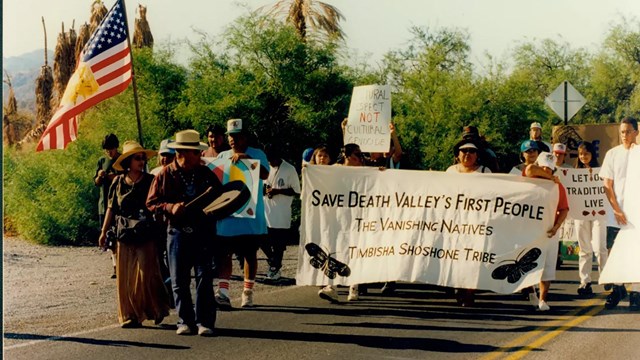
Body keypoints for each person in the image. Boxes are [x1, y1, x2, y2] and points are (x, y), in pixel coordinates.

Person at [146, 129, 221, 336]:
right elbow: (151, 203)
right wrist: (170, 207)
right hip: (177, 232)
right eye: (195, 153)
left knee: (204, 278)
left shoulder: (206, 174)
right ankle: (184, 321)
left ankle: (204, 321)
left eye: (198, 153)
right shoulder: (164, 174)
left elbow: (222, 197)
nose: (199, 156)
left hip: (203, 232)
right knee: (179, 281)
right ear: (182, 153)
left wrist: (214, 210)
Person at [98, 141, 171, 328]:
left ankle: (155, 308)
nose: (141, 161)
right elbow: (111, 208)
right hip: (124, 233)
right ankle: (130, 315)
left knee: (146, 274)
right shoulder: (118, 182)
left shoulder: (150, 181)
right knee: (125, 276)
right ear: (128, 162)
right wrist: (104, 231)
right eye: (137, 158)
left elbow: (157, 204)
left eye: (143, 158)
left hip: (146, 231)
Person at [214, 119, 270, 308]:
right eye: (230, 136)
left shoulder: (257, 154)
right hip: (228, 215)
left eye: (237, 136)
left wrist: (247, 159)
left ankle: (248, 292)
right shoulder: (222, 156)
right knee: (224, 254)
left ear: (245, 137)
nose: (233, 140)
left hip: (250, 215)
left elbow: (264, 175)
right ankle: (223, 292)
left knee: (249, 254)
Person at [445, 138, 491, 306]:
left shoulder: (485, 172)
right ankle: (458, 286)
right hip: (455, 222)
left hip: (477, 223)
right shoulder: (450, 171)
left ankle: (470, 291)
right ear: (458, 155)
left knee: (474, 257)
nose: (468, 154)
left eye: (472, 151)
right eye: (464, 151)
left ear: (477, 155)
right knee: (456, 256)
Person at [599, 116, 639, 310]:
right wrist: (616, 209)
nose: (625, 135)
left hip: (636, 214)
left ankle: (636, 292)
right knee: (613, 251)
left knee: (636, 252)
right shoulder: (612, 154)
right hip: (615, 213)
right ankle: (617, 288)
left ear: (636, 133)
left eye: (628, 131)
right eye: (622, 132)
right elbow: (607, 185)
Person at [318, 143, 365, 303]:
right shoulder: (334, 169)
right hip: (336, 217)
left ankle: (354, 287)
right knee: (333, 250)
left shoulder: (364, 172)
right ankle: (331, 286)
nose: (361, 158)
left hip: (356, 217)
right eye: (357, 155)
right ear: (348, 156)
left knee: (354, 251)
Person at [524, 152, 570, 311]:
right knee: (526, 264)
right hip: (528, 230)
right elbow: (530, 169)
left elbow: (564, 209)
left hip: (549, 232)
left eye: (549, 168)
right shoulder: (528, 179)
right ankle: (530, 292)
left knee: (547, 267)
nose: (546, 170)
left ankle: (543, 299)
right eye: (543, 166)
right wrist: (550, 177)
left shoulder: (558, 187)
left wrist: (556, 227)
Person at [262, 145, 301, 281]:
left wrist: (278, 191)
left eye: (272, 160)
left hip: (281, 213)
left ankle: (275, 270)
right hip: (266, 212)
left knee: (278, 245)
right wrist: (265, 190)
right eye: (268, 160)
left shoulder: (289, 169)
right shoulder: (265, 167)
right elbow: (261, 186)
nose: (270, 163)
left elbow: (296, 191)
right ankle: (274, 262)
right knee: (262, 239)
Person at [573, 141, 607, 297]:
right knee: (584, 249)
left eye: (586, 153)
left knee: (600, 247)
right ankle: (585, 282)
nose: (583, 157)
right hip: (581, 213)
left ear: (592, 154)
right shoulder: (574, 175)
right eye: (580, 154)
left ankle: (606, 277)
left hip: (599, 212)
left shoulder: (601, 172)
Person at [94, 133, 121, 279]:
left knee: (118, 236)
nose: (109, 152)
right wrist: (100, 176)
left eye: (111, 149)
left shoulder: (122, 160)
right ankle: (115, 266)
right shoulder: (102, 161)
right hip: (104, 205)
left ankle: (119, 266)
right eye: (106, 149)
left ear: (116, 147)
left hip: (119, 206)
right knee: (109, 238)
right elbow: (96, 182)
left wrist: (114, 178)